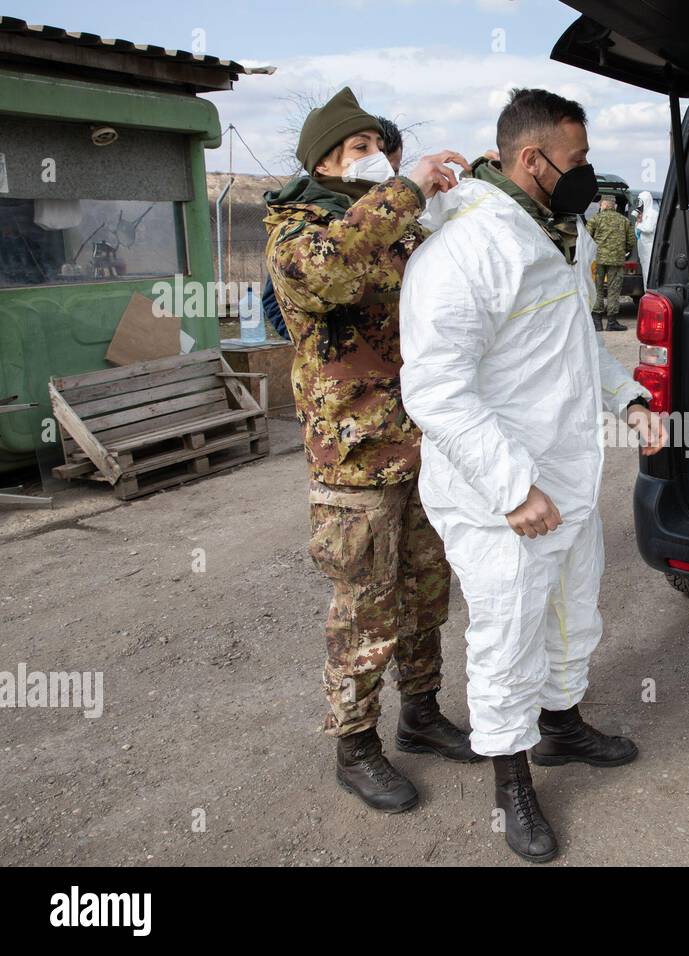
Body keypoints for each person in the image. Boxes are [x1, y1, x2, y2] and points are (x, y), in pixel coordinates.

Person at [400, 88, 668, 863]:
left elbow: (569, 342)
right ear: (532, 160)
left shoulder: (542, 230)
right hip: (504, 498)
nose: (586, 175)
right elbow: (437, 388)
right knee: (508, 639)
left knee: (570, 614)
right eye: (577, 161)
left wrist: (628, 397)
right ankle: (511, 779)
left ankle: (561, 726)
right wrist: (513, 487)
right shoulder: (464, 249)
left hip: (565, 474)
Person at [263, 87, 480, 814]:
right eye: (359, 150)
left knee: (425, 591)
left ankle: (421, 714)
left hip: (424, 444)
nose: (376, 161)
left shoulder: (392, 225)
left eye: (380, 150)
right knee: (364, 605)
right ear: (323, 159)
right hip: (354, 459)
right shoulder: (297, 232)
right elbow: (333, 273)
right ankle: (355, 746)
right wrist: (405, 189)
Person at [261, 114, 407, 342]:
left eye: (395, 170)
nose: (386, 172)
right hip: (348, 373)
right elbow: (278, 298)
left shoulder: (398, 220)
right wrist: (314, 344)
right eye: (362, 147)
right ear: (323, 163)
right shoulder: (303, 229)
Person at [585, 196, 636, 331]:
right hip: (616, 261)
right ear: (613, 206)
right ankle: (612, 322)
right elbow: (631, 241)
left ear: (603, 205)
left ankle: (597, 322)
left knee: (597, 289)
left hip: (598, 260)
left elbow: (587, 237)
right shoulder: (624, 220)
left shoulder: (595, 219)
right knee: (614, 290)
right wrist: (624, 251)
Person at [634, 189, 657, 281]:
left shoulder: (653, 214)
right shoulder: (642, 214)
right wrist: (638, 221)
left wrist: (639, 225)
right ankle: (645, 291)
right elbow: (637, 233)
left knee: (648, 272)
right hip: (642, 247)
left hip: (649, 247)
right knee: (644, 272)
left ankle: (649, 291)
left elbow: (648, 228)